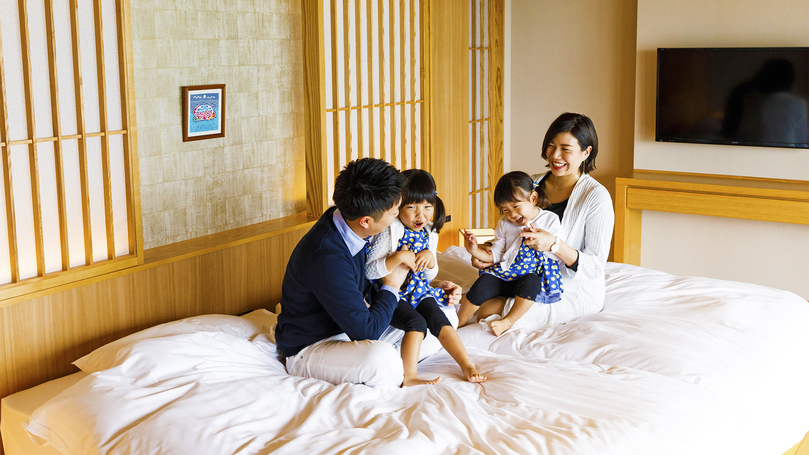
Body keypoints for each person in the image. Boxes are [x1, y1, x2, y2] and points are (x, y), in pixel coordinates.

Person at [466, 113, 614, 331]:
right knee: (472, 298)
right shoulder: (532, 184)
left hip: (568, 288)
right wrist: (485, 253)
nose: (555, 155)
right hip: (519, 274)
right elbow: (508, 232)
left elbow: (595, 267)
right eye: (551, 146)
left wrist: (554, 245)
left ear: (586, 152)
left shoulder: (595, 197)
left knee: (488, 310)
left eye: (565, 149)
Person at [366, 169, 486, 386]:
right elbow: (370, 271)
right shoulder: (391, 230)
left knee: (439, 319)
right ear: (398, 206)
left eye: (427, 207)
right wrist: (398, 258)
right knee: (417, 323)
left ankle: (467, 365)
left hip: (418, 290)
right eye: (411, 207)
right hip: (390, 293)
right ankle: (409, 376)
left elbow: (429, 274)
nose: (420, 215)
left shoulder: (430, 232)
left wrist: (430, 258)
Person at [456, 171, 565, 336]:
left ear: (533, 198)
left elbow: (556, 254)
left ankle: (508, 320)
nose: (512, 214)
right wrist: (474, 250)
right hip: (506, 273)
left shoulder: (549, 220)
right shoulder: (505, 224)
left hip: (528, 276)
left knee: (532, 282)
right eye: (505, 210)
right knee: (484, 282)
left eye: (515, 206)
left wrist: (541, 241)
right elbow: (497, 254)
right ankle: (459, 322)